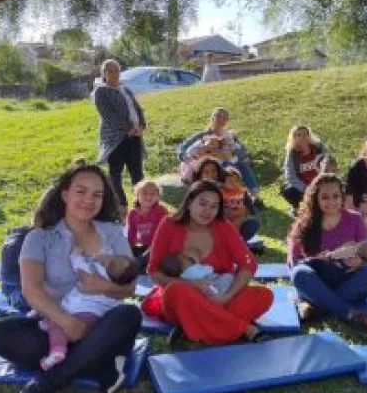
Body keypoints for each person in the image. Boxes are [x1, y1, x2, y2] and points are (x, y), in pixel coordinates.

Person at [0, 162, 143, 393]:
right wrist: (67, 322)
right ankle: (99, 359)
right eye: (81, 191)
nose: (89, 200)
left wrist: (101, 287)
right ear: (65, 194)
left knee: (129, 314)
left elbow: (129, 288)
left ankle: (41, 387)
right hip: (54, 326)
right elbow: (31, 289)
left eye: (97, 195)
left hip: (102, 322)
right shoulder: (40, 237)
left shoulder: (113, 232)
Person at [141, 180, 273, 345]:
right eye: (202, 203)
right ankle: (246, 329)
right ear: (189, 202)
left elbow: (248, 264)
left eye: (214, 206)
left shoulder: (224, 227)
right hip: (181, 297)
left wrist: (227, 296)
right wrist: (191, 286)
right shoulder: (169, 224)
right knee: (176, 290)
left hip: (220, 293)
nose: (207, 211)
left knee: (264, 296)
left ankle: (192, 325)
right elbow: (154, 271)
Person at [288, 174, 367, 331]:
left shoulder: (355, 219)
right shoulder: (304, 223)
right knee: (299, 274)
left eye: (335, 196)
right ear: (315, 199)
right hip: (317, 277)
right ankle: (351, 314)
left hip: (346, 277)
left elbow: (366, 249)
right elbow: (293, 262)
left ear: (342, 197)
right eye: (325, 197)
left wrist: (360, 260)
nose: (331, 202)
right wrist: (316, 259)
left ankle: (316, 307)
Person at [39, 253, 140, 370]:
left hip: (78, 310)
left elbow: (78, 266)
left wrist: (76, 255)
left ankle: (57, 350)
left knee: (57, 325)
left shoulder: (95, 273)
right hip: (97, 315)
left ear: (106, 265)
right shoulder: (120, 286)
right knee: (81, 330)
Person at [93, 59, 146, 207]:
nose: (115, 73)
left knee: (137, 172)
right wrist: (128, 128)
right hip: (116, 138)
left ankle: (141, 204)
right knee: (115, 173)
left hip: (135, 135)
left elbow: (137, 108)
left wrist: (141, 125)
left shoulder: (126, 89)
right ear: (104, 73)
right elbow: (108, 115)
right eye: (110, 71)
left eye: (117, 70)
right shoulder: (101, 92)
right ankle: (120, 205)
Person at [177, 107, 262, 199]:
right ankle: (232, 197)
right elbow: (183, 147)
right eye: (218, 116)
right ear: (212, 118)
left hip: (226, 160)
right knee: (227, 169)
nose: (221, 119)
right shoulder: (202, 135)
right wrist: (184, 156)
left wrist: (231, 154)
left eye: (224, 118)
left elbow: (242, 151)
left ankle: (254, 194)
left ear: (226, 121)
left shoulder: (229, 136)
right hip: (208, 164)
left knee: (242, 165)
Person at [281, 125, 328, 213]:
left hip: (321, 182)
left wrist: (321, 183)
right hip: (304, 186)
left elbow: (329, 164)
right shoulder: (292, 154)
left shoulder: (319, 148)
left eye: (305, 134)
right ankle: (297, 208)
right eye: (299, 135)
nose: (302, 137)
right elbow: (290, 176)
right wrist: (306, 188)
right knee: (287, 191)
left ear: (309, 136)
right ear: (294, 138)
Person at [157, 245, 235, 296]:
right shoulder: (191, 270)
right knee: (228, 277)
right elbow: (208, 270)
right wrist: (207, 266)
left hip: (208, 285)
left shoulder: (183, 276)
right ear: (182, 264)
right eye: (185, 258)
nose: (188, 259)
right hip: (213, 282)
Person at [126, 180, 168, 261]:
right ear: (137, 195)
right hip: (143, 245)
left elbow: (166, 231)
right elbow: (131, 232)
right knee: (130, 252)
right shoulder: (132, 213)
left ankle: (140, 263)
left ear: (158, 197)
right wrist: (130, 247)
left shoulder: (161, 211)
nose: (148, 197)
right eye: (144, 193)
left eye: (152, 194)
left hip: (158, 244)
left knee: (150, 254)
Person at [221, 165, 260, 242]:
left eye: (236, 181)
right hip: (227, 218)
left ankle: (238, 239)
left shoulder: (242, 191)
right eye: (230, 181)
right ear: (223, 182)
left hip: (240, 216)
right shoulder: (221, 193)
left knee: (249, 221)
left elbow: (249, 204)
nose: (233, 183)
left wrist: (248, 210)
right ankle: (232, 239)